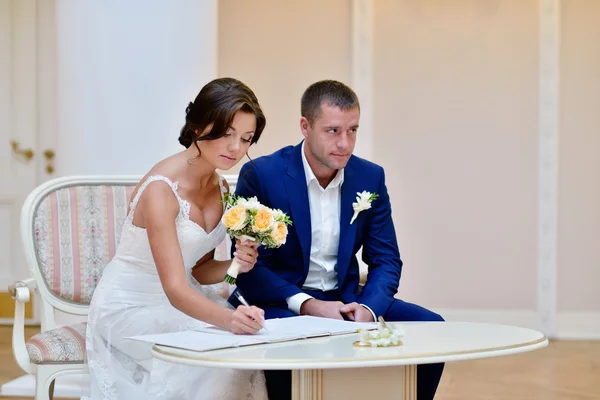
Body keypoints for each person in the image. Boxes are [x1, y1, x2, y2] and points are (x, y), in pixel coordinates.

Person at [231, 80, 445, 400]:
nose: (344, 143)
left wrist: (369, 310)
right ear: (305, 126)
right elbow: (252, 267)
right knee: (290, 349)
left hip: (347, 299)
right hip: (281, 302)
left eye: (353, 130)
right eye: (332, 131)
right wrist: (308, 305)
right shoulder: (262, 175)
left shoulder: (369, 177)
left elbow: (386, 259)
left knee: (431, 329)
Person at [85, 77, 269, 400]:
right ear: (198, 127)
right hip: (130, 306)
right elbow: (174, 288)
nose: (235, 148)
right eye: (226, 134)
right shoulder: (161, 189)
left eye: (246, 138)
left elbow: (198, 270)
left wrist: (236, 264)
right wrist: (231, 319)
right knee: (214, 359)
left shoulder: (222, 188)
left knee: (242, 354)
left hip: (182, 299)